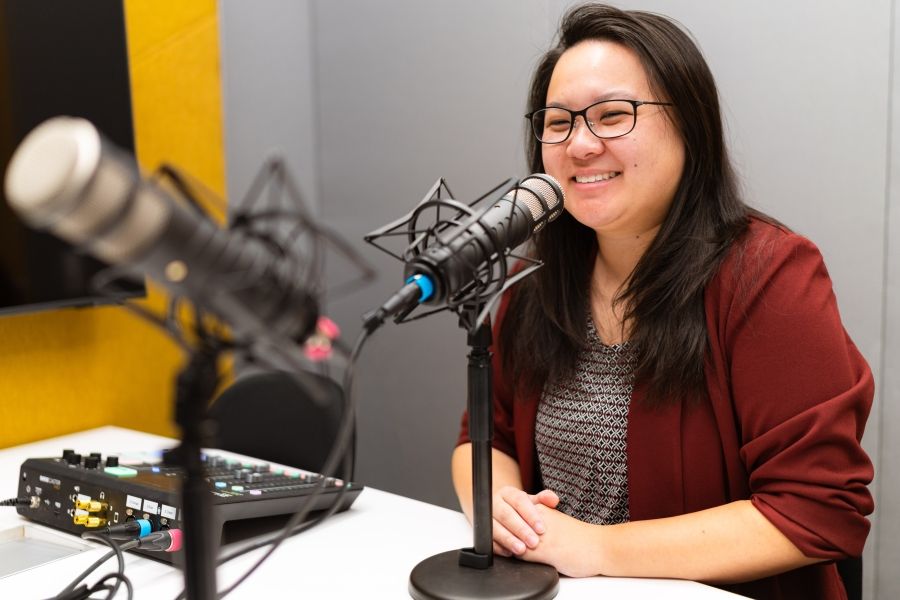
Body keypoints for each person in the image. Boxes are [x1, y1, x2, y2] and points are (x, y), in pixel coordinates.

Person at [452, 4, 874, 600]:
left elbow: (817, 509)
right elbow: (484, 440)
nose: (580, 144)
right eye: (557, 122)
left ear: (690, 126)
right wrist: (498, 508)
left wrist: (596, 548)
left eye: (613, 115)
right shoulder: (533, 280)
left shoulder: (770, 276)